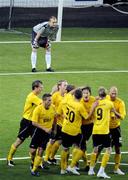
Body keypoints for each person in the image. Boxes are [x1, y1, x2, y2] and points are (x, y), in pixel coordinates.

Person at [58, 89, 97, 175]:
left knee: (65, 148)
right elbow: (86, 117)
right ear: (81, 97)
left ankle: (62, 169)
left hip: (64, 129)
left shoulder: (69, 100)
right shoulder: (80, 106)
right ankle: (71, 166)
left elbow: (68, 94)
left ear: (74, 95)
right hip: (74, 131)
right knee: (82, 148)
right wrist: (93, 108)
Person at [7, 80, 43, 166]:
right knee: (19, 141)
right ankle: (9, 159)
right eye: (41, 87)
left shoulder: (35, 96)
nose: (42, 89)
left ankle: (36, 162)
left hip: (33, 122)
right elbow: (43, 103)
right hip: (27, 123)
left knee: (37, 142)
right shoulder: (32, 97)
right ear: (36, 87)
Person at [29, 93, 57, 176]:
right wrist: (44, 128)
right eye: (49, 100)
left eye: (51, 100)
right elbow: (33, 122)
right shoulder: (38, 109)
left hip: (47, 133)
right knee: (33, 151)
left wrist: (54, 129)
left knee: (41, 150)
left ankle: (34, 169)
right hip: (38, 131)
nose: (51, 102)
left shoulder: (53, 107)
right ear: (44, 101)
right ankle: (33, 162)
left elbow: (55, 119)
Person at [107, 86, 126, 175]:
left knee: (117, 148)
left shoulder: (120, 102)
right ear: (109, 93)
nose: (113, 95)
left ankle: (116, 168)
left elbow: (122, 116)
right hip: (106, 128)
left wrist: (114, 111)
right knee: (100, 148)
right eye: (112, 93)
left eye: (115, 93)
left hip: (116, 129)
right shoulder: (106, 99)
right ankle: (91, 166)